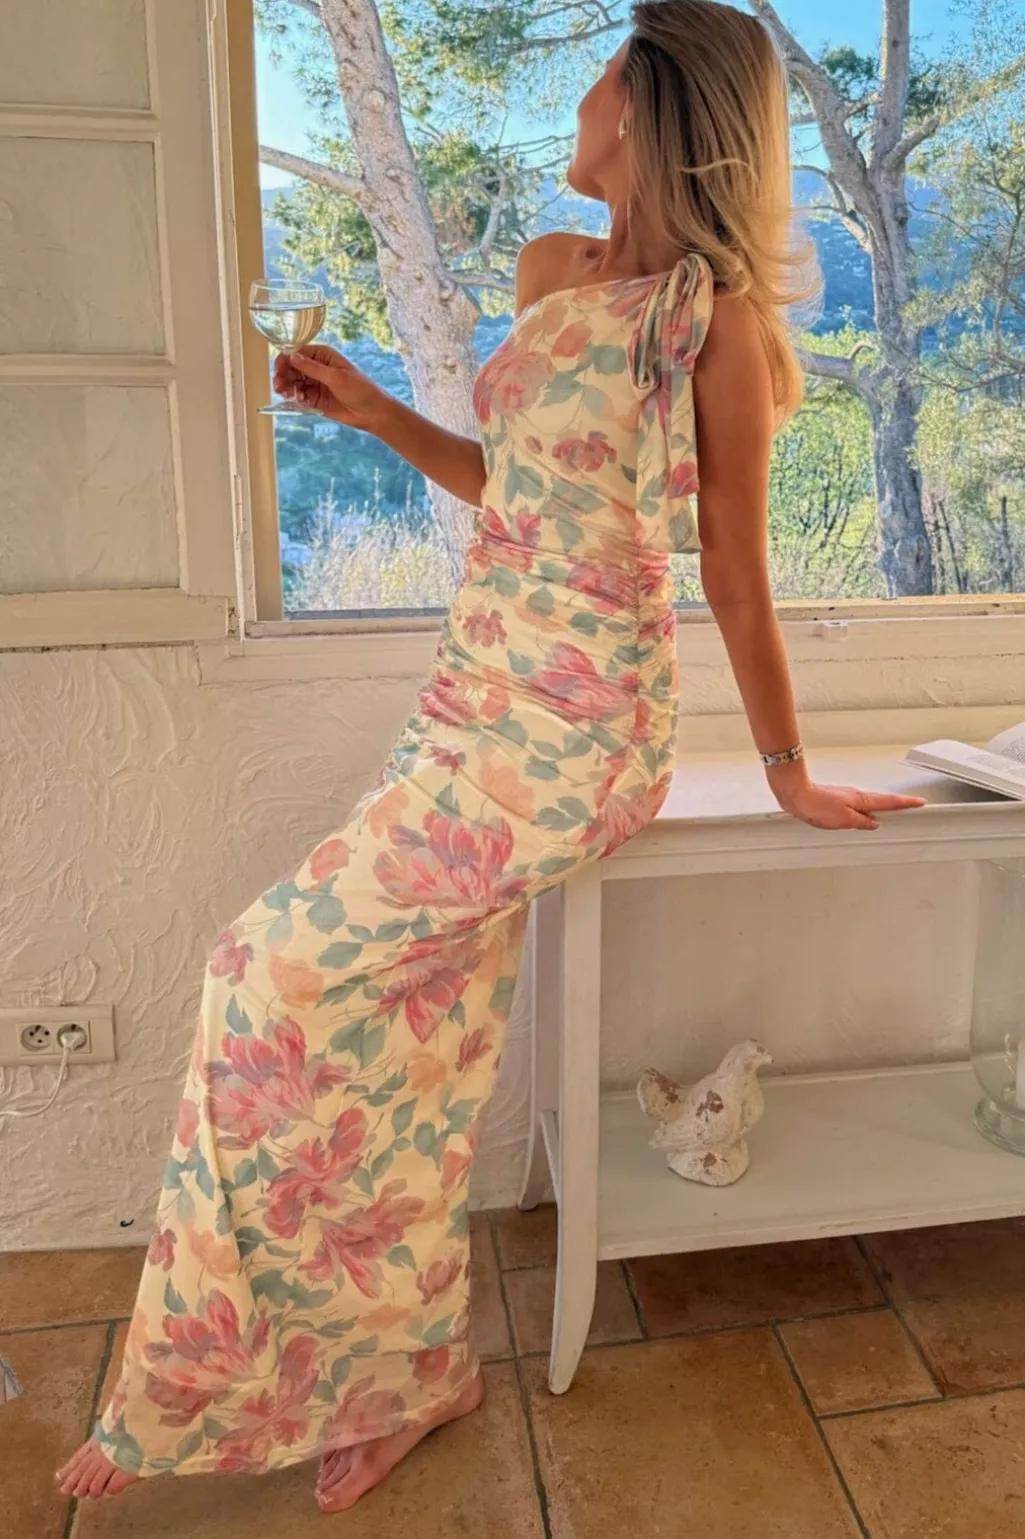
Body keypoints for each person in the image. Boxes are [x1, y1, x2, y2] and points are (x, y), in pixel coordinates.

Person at [56, 0, 924, 1514]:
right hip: (476, 696)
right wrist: (368, 407)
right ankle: (411, 1371)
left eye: (597, 85)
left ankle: (199, 1386)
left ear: (647, 111)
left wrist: (786, 766)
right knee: (410, 1038)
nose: (576, 112)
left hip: (578, 729)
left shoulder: (711, 323)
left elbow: (732, 571)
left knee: (256, 971)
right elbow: (506, 486)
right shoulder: (548, 270)